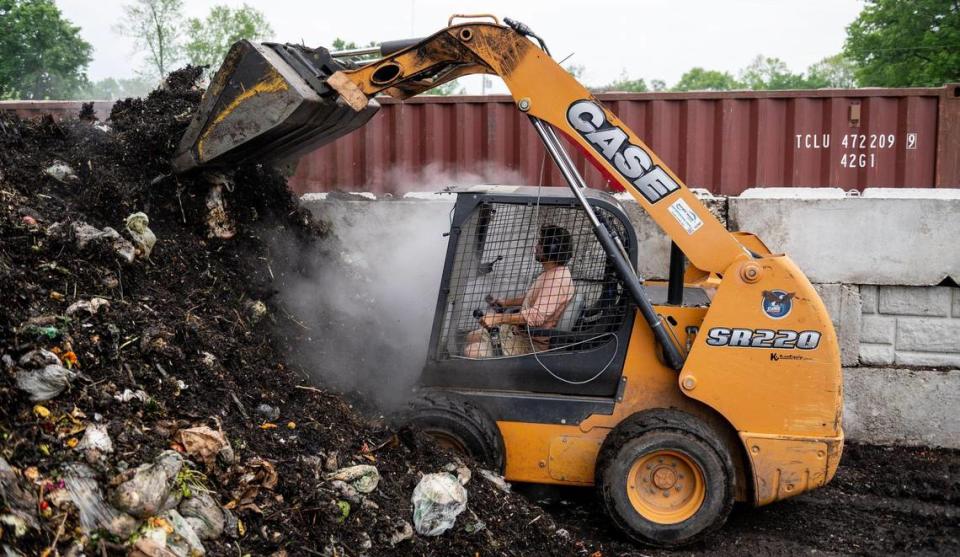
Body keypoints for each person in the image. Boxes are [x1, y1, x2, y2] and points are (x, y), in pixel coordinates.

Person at [463, 225, 575, 357]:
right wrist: (505, 303)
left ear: (552, 249)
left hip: (530, 343)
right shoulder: (552, 272)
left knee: (471, 351)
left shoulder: (556, 281)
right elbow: (531, 297)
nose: (536, 246)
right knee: (471, 337)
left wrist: (497, 318)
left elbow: (536, 316)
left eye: (540, 243)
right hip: (518, 332)